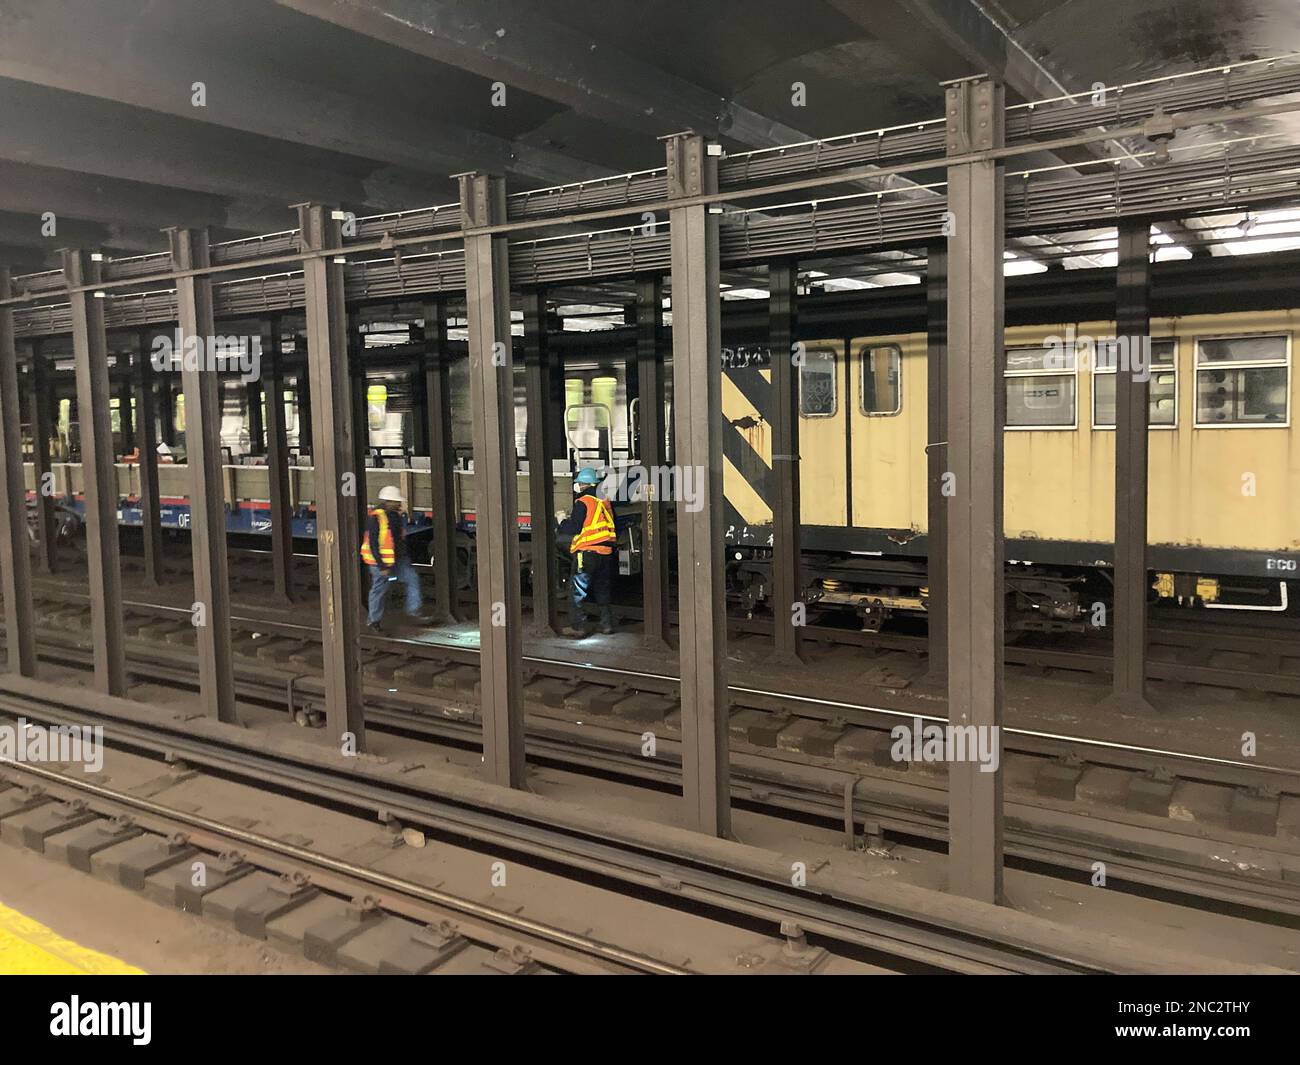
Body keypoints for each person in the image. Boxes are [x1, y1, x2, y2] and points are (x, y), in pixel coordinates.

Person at [558, 467, 617, 638]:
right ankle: (606, 625)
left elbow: (574, 528)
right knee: (602, 589)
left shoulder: (583, 501)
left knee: (577, 590)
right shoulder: (604, 501)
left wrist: (561, 521)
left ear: (583, 484)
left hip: (587, 553)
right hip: (605, 552)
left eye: (579, 483)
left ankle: (578, 626)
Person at [361, 485, 426, 632]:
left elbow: (398, 539)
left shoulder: (395, 516)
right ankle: (373, 620)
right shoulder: (376, 518)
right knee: (380, 589)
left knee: (412, 578)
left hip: (396, 560)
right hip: (379, 562)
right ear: (388, 501)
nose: (398, 504)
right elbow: (373, 543)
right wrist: (382, 566)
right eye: (396, 501)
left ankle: (413, 611)